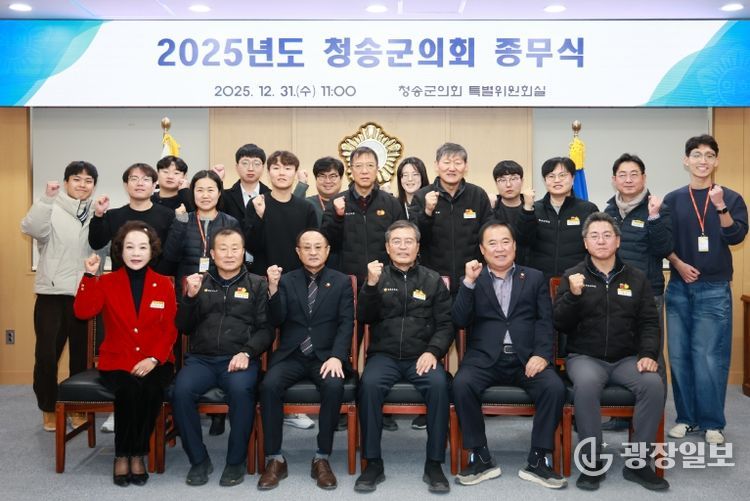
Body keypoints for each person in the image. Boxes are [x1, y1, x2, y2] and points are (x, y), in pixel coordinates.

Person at [554, 212, 668, 491]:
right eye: (594, 236)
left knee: (653, 384)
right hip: (585, 357)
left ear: (618, 241)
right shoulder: (573, 276)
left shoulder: (637, 278)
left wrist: (647, 354)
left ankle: (638, 463)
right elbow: (559, 323)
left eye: (607, 235)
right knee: (586, 385)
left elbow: (649, 323)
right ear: (585, 242)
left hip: (627, 358)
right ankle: (592, 462)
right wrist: (573, 296)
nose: (601, 241)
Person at [452, 222, 566, 489]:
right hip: (484, 358)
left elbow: (545, 321)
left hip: (526, 358)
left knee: (554, 387)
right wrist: (468, 283)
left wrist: (542, 355)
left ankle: (538, 458)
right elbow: (459, 320)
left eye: (505, 242)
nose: (500, 248)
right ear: (482, 250)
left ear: (514, 246)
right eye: (492, 243)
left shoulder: (534, 277)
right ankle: (480, 456)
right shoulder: (474, 279)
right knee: (461, 384)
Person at [73, 221, 177, 487]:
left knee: (151, 390)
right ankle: (122, 455)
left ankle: (138, 454)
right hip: (117, 360)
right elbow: (83, 312)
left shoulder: (164, 284)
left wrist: (153, 358)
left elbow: (170, 328)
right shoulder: (106, 282)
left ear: (152, 251)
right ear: (120, 250)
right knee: (129, 391)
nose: (136, 253)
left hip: (156, 360)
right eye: (130, 247)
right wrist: (89, 277)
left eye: (142, 247)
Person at [355, 221, 453, 493]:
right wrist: (370, 286)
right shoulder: (377, 277)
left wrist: (433, 351)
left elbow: (446, 325)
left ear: (418, 247)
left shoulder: (432, 279)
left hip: (421, 356)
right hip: (384, 356)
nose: (402, 247)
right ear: (387, 247)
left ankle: (434, 463)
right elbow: (364, 317)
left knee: (439, 385)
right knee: (369, 385)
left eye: (408, 241)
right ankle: (373, 462)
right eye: (396, 241)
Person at [172, 228, 273, 487]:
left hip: (238, 359)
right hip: (201, 360)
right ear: (213, 254)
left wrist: (247, 352)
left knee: (241, 390)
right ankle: (198, 460)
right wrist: (190, 298)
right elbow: (183, 327)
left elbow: (266, 329)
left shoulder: (257, 284)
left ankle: (236, 461)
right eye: (223, 249)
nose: (229, 254)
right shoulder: (199, 282)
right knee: (180, 391)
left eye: (235, 248)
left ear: (243, 252)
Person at [665, 134, 748, 445]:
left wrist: (720, 207)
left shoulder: (731, 198)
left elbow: (736, 237)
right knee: (679, 356)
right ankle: (686, 418)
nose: (703, 160)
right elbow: (662, 240)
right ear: (686, 160)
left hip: (713, 288)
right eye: (697, 155)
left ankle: (713, 422)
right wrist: (677, 263)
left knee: (709, 357)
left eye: (709, 155)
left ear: (716, 161)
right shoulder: (673, 199)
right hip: (679, 286)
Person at [257, 230, 354, 490]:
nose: (313, 252)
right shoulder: (286, 281)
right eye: (307, 247)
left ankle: (322, 457)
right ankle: (275, 458)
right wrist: (273, 289)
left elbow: (346, 323)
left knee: (334, 386)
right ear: (298, 252)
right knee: (269, 385)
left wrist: (337, 356)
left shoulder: (341, 281)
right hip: (292, 354)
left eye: (318, 247)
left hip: (325, 357)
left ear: (327, 250)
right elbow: (276, 320)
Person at [21, 161, 100, 432]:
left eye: (88, 180)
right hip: (52, 294)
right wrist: (46, 199)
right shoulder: (51, 208)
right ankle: (48, 407)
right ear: (66, 182)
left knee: (81, 356)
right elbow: (31, 228)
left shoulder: (96, 212)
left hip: (84, 293)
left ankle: (77, 406)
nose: (82, 185)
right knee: (47, 354)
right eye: (77, 179)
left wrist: (101, 216)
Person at [602, 153, 672, 431]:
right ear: (614, 179)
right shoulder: (608, 211)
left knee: (651, 353)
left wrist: (654, 218)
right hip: (615, 293)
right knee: (621, 354)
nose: (628, 179)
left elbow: (665, 248)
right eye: (622, 174)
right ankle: (621, 415)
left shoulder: (658, 208)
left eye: (634, 174)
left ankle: (654, 421)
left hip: (648, 293)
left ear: (644, 178)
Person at [413, 142, 492, 295]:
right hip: (433, 279)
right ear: (436, 165)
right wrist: (427, 212)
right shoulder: (422, 196)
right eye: (446, 162)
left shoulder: (478, 195)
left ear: (466, 166)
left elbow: (488, 234)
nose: (452, 168)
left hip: (472, 277)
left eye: (457, 163)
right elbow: (417, 239)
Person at [321, 145, 405, 285]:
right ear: (351, 170)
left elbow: (401, 242)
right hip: (346, 280)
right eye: (359, 166)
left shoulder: (391, 203)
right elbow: (328, 244)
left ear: (377, 169)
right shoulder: (336, 203)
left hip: (385, 280)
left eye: (370, 165)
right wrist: (338, 217)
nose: (364, 171)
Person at [220, 143, 307, 269]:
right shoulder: (225, 196)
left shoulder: (272, 196)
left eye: (256, 163)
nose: (250, 168)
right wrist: (218, 181)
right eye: (245, 163)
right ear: (237, 167)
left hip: (276, 265)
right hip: (235, 263)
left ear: (263, 168)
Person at [516, 156, 598, 279]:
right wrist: (527, 209)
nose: (557, 180)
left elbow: (595, 247)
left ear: (573, 178)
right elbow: (523, 241)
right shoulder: (534, 209)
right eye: (551, 176)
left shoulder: (588, 209)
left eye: (562, 175)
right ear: (545, 180)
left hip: (576, 279)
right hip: (539, 280)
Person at [162, 170, 240, 292]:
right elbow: (171, 256)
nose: (205, 195)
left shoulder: (230, 223)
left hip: (221, 289)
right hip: (187, 288)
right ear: (192, 193)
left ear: (219, 193)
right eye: (200, 190)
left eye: (210, 190)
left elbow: (237, 260)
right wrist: (180, 222)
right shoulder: (183, 219)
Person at [244, 150, 318, 274]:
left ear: (295, 173)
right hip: (263, 277)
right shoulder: (257, 203)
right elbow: (250, 246)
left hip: (298, 277)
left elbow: (311, 246)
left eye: (288, 168)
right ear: (268, 173)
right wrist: (260, 216)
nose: (281, 173)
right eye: (276, 168)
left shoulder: (306, 208)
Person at [88, 163, 175, 268]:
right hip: (121, 277)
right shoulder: (113, 216)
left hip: (156, 277)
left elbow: (172, 253)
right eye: (134, 179)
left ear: (153, 186)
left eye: (146, 179)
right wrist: (98, 214)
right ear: (126, 185)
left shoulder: (168, 215)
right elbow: (96, 244)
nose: (140, 183)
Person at [491, 160, 531, 265]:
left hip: (528, 268)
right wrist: (490, 210)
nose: (508, 184)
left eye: (513, 179)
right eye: (502, 180)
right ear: (496, 183)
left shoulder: (532, 209)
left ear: (522, 181)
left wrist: (528, 208)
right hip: (498, 266)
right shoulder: (491, 209)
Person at [306, 156, 344, 226]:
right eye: (322, 176)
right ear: (316, 178)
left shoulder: (349, 203)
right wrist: (301, 185)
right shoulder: (307, 204)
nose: (327, 181)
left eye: (333, 176)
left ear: (341, 178)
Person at [395, 156, 429, 221]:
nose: (410, 179)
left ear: (422, 177)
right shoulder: (394, 205)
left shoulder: (431, 203)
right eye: (405, 175)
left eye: (415, 174)